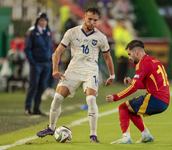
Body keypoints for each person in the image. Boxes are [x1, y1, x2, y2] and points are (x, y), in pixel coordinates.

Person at [36, 7, 115, 143]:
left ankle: (93, 135)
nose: (92, 22)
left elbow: (108, 57)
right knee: (57, 97)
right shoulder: (72, 32)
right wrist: (55, 70)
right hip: (73, 70)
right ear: (84, 17)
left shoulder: (101, 37)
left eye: (95, 20)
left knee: (91, 100)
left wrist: (112, 76)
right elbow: (57, 52)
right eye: (89, 19)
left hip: (90, 71)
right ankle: (51, 127)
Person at [106, 40, 170, 144]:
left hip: (155, 98)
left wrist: (115, 97)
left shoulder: (142, 64)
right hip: (164, 101)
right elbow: (147, 84)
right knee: (131, 108)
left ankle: (126, 137)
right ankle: (146, 135)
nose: (129, 58)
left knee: (123, 107)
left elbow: (134, 88)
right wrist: (133, 81)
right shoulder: (154, 60)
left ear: (136, 52)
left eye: (129, 54)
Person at [24, 12, 53, 115]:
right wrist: (32, 61)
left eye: (45, 20)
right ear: (37, 21)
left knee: (42, 86)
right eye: (41, 20)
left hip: (46, 64)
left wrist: (50, 60)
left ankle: (36, 108)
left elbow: (50, 48)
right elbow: (27, 48)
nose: (43, 22)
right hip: (36, 63)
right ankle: (28, 108)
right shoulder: (32, 32)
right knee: (33, 86)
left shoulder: (48, 32)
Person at [113, 19, 133, 83]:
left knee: (125, 66)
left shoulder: (125, 30)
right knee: (120, 67)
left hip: (126, 52)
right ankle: (118, 80)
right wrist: (127, 42)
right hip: (120, 52)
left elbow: (129, 39)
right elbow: (119, 39)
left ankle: (122, 80)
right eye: (121, 23)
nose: (123, 24)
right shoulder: (117, 30)